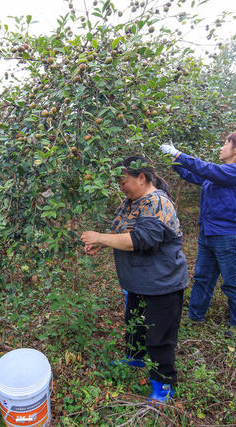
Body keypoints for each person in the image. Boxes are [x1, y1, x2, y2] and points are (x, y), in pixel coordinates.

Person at [80, 156, 188, 403]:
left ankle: (163, 384)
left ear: (142, 177)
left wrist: (100, 237)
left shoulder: (157, 203)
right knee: (136, 325)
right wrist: (101, 243)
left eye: (123, 180)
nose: (120, 185)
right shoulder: (131, 202)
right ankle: (135, 357)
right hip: (138, 282)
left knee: (159, 336)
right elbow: (123, 234)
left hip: (161, 285)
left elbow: (142, 240)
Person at [160, 130, 236, 335]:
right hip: (210, 234)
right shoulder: (222, 174)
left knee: (234, 283)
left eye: (225, 143)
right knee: (203, 278)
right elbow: (194, 174)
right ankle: (195, 318)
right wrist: (173, 160)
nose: (221, 148)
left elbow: (207, 169)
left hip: (231, 236)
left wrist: (179, 154)